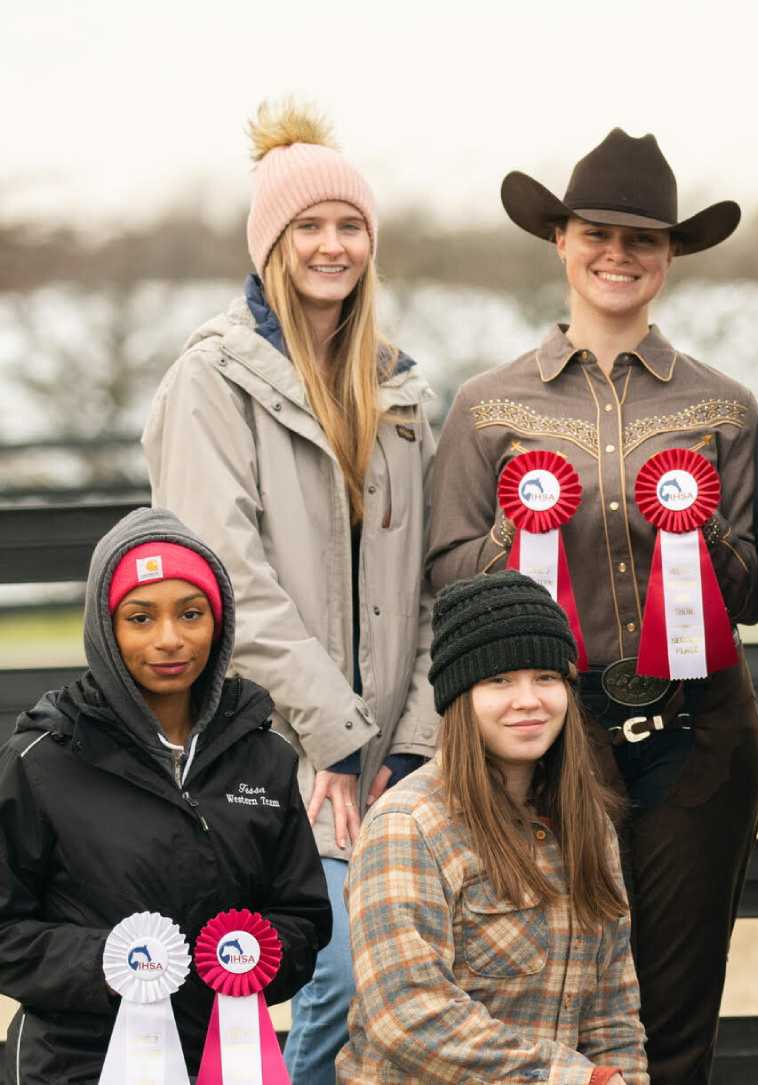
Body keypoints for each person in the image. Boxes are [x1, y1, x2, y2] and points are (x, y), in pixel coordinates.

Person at [424, 127, 758, 1084]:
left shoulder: (726, 406)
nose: (618, 254)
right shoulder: (488, 408)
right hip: (548, 737)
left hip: (698, 730)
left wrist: (689, 536)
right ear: (561, 242)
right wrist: (519, 526)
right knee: (546, 990)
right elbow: (449, 572)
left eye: (643, 239)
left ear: (670, 257)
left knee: (676, 1002)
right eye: (598, 234)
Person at [139, 98, 437, 1085]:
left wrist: (408, 742)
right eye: (307, 225)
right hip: (276, 749)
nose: (332, 244)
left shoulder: (400, 394)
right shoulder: (210, 384)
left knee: (403, 997)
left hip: (394, 761)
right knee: (338, 981)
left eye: (349, 224)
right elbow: (221, 576)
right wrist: (338, 737)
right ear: (271, 242)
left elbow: (436, 585)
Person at [0, 508, 328, 1085]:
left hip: (225, 1062)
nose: (170, 639)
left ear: (218, 623)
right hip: (73, 1067)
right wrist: (115, 964)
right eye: (140, 618)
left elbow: (302, 917)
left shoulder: (266, 756)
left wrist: (246, 959)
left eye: (191, 614)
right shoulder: (42, 760)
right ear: (107, 629)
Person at [338, 571, 647, 1084]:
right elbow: (408, 1015)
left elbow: (613, 1011)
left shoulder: (589, 824)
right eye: (499, 680)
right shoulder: (407, 827)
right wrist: (569, 1079)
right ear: (460, 697)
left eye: (546, 678)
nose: (528, 700)